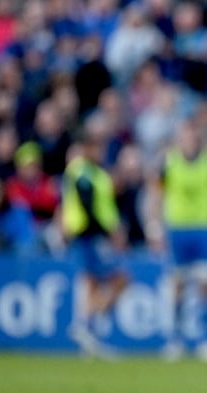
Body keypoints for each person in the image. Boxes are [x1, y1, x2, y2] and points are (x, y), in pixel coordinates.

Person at [154, 120, 207, 361]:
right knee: (178, 284)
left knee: (206, 284)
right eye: (185, 136)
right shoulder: (169, 162)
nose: (189, 141)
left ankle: (206, 338)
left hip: (205, 228)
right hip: (178, 229)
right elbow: (157, 193)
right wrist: (154, 225)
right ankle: (175, 339)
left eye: (192, 136)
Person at [62, 132, 129, 357]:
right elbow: (88, 206)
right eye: (95, 148)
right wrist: (111, 231)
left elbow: (106, 205)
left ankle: (88, 331)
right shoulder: (81, 171)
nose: (99, 153)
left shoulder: (98, 174)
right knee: (114, 279)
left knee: (97, 283)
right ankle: (85, 324)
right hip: (88, 235)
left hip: (95, 235)